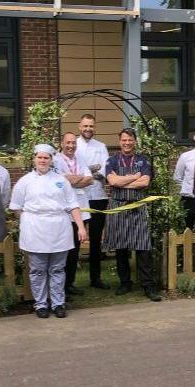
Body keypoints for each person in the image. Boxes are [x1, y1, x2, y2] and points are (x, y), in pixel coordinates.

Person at [10, 144, 88, 318]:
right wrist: (30, 221)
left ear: (51, 160)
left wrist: (81, 227)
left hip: (59, 228)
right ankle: (40, 304)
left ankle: (58, 303)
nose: (43, 161)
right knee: (37, 269)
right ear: (34, 159)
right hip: (35, 229)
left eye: (46, 158)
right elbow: (16, 208)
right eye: (40, 157)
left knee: (57, 269)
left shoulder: (61, 181)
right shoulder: (24, 181)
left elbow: (73, 205)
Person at [104, 128, 161, 301]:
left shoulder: (143, 160)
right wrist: (133, 177)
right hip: (118, 208)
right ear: (119, 141)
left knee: (143, 248)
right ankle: (125, 282)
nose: (127, 143)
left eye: (130, 140)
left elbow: (144, 182)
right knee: (121, 248)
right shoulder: (111, 160)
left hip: (138, 207)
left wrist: (123, 181)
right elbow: (112, 181)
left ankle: (148, 286)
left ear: (135, 141)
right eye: (124, 140)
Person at [53, 132, 93, 297]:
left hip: (81, 209)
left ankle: (70, 283)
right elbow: (60, 180)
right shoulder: (55, 160)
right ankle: (60, 287)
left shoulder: (80, 159)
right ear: (62, 143)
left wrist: (72, 179)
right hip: (65, 212)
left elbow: (90, 179)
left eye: (73, 143)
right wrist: (78, 179)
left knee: (75, 250)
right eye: (68, 143)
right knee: (64, 250)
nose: (71, 146)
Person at [75, 113, 111, 289]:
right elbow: (72, 170)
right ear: (79, 126)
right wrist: (90, 172)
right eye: (85, 126)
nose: (88, 129)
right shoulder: (72, 144)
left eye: (91, 126)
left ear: (94, 127)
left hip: (98, 196)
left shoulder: (101, 146)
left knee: (96, 240)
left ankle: (95, 278)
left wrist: (85, 173)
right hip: (78, 198)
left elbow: (104, 169)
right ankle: (70, 281)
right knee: (74, 240)